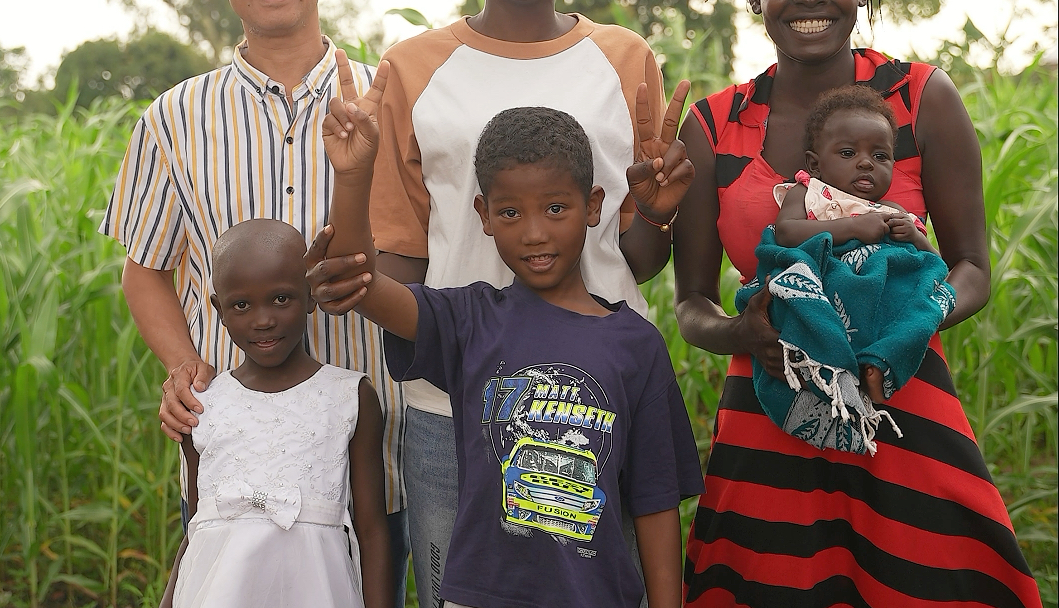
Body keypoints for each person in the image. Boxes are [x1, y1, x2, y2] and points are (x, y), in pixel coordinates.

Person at [306, 3, 687, 606]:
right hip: (456, 395)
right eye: (510, 212)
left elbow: (630, 252)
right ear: (488, 217)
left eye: (556, 210)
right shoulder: (411, 68)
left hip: (606, 388)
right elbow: (387, 273)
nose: (535, 232)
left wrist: (660, 214)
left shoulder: (625, 57)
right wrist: (350, 187)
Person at [673, 0, 1042, 605]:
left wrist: (905, 321)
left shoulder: (921, 97)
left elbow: (971, 266)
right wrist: (743, 333)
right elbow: (692, 303)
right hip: (770, 415)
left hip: (900, 404)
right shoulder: (715, 124)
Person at [99, 1, 409, 604]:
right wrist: (184, 366)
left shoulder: (390, 101)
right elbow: (145, 271)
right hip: (236, 473)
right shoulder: (174, 118)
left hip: (379, 450)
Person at [170, 219, 391, 607]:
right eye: (242, 305)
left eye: (281, 299)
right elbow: (196, 531)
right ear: (219, 310)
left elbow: (372, 530)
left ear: (310, 297)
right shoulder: (202, 405)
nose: (263, 319)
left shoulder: (349, 396)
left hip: (317, 590)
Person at [737, 84, 957, 456]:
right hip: (825, 290)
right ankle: (831, 364)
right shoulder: (807, 194)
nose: (866, 162)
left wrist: (913, 236)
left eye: (881, 155)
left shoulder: (890, 210)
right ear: (815, 163)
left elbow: (934, 265)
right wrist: (852, 228)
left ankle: (879, 364)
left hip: (874, 303)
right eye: (848, 153)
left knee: (919, 303)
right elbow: (786, 233)